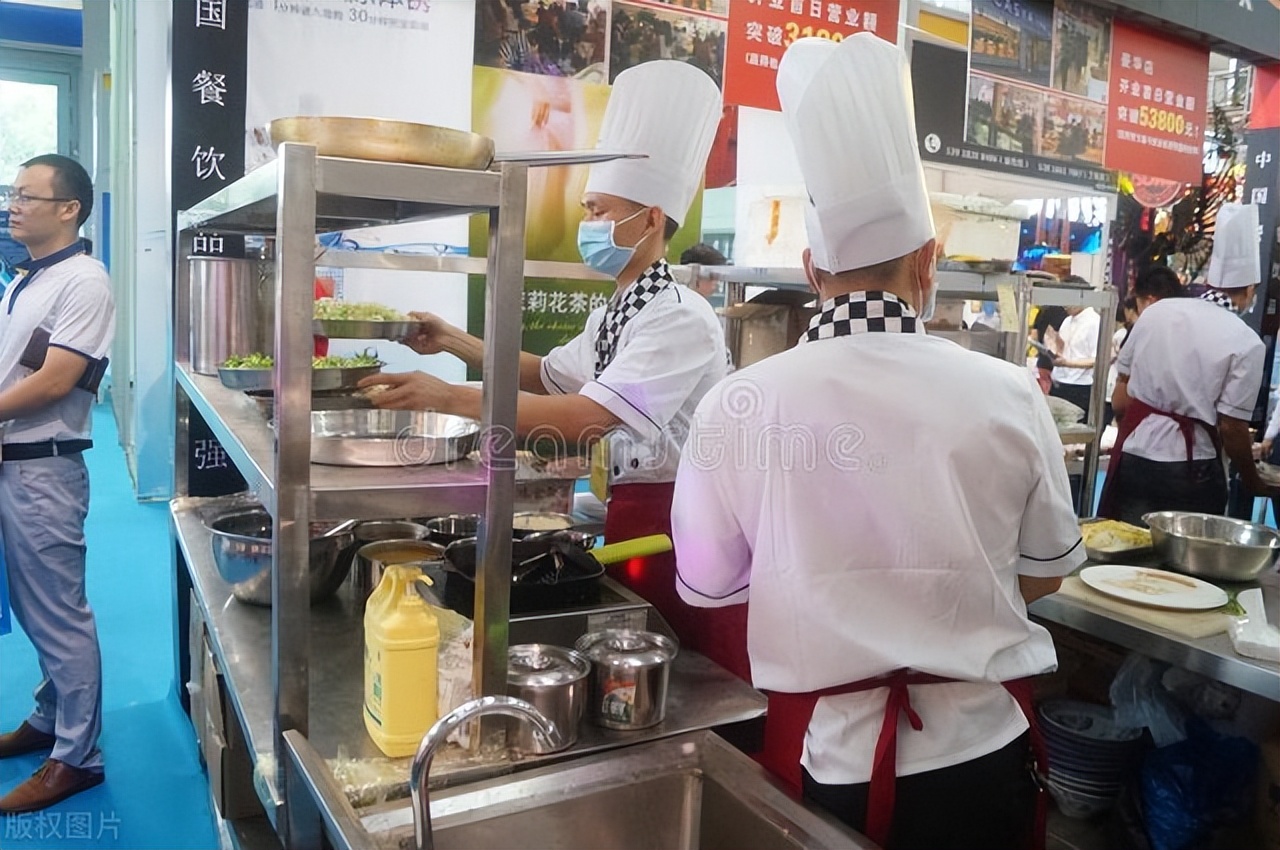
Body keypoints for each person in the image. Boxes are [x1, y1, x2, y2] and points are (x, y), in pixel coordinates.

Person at [671, 35, 1083, 850]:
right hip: (986, 753)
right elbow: (1043, 577)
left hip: (831, 761)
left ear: (811, 269)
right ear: (928, 264)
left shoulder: (740, 404)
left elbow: (709, 589)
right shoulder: (1009, 393)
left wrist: (832, 598)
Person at [360, 61, 751, 679]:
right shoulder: (622, 307)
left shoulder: (682, 319)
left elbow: (587, 421)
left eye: (600, 210)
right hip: (636, 513)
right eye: (588, 209)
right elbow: (550, 376)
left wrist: (450, 398)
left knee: (686, 672)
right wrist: (455, 341)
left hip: (682, 526)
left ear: (651, 218)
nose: (588, 224)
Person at [0, 155, 115, 813]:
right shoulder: (26, 279)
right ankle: (48, 720)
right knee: (35, 605)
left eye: (26, 195)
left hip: (44, 468)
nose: (13, 205)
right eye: (12, 194)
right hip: (15, 460)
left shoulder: (84, 282)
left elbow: (55, 381)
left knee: (58, 612)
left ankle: (77, 757)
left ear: (68, 208)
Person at [1101, 204, 1273, 526]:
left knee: (1130, 549)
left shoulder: (1156, 313)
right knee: (1184, 566)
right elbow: (1232, 429)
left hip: (1135, 457)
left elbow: (1121, 398)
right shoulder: (1246, 341)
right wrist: (1252, 480)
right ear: (1250, 291)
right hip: (1191, 470)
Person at [1049, 276, 1099, 416]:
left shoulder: (1094, 322)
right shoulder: (1067, 320)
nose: (1065, 304)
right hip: (1059, 382)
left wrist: (1068, 363)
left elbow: (1097, 359)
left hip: (1079, 387)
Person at [1031, 302, 1067, 394]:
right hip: (1056, 366)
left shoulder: (1043, 311)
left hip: (1042, 363)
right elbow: (1055, 340)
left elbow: (1034, 335)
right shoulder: (1061, 313)